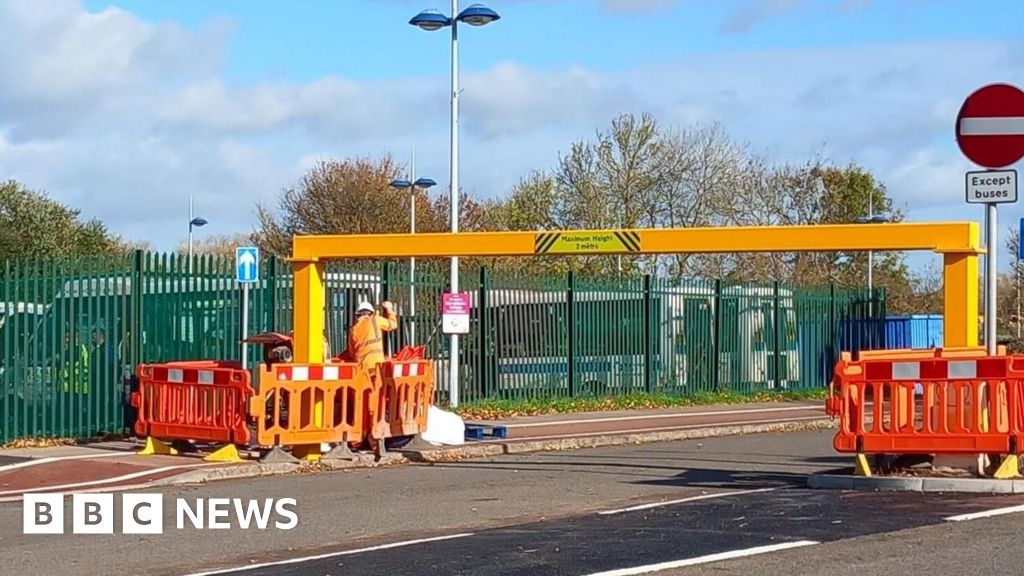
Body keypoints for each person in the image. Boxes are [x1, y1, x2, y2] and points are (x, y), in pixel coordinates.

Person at [344, 300, 398, 372]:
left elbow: (352, 353)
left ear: (357, 315)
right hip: (378, 366)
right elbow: (393, 324)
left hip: (362, 368)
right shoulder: (376, 320)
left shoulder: (353, 330)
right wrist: (389, 309)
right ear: (372, 313)